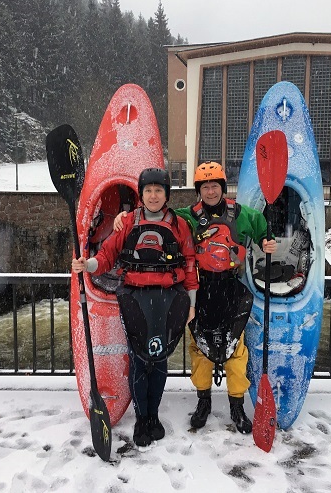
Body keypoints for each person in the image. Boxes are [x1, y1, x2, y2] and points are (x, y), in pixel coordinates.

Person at [114, 161, 276, 435]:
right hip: (201, 290)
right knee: (200, 350)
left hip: (231, 289)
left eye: (215, 186)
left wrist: (266, 241)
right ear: (198, 190)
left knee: (236, 350)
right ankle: (204, 402)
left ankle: (236, 406)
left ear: (222, 188)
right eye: (205, 186)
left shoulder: (242, 214)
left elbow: (262, 229)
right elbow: (156, 213)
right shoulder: (187, 216)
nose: (210, 191)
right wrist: (125, 215)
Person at [72, 168, 198, 448]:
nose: (153, 196)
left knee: (160, 358)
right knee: (140, 359)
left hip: (169, 297)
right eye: (148, 190)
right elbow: (106, 255)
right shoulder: (127, 222)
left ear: (166, 194)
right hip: (135, 297)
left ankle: (154, 415)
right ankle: (142, 418)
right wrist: (88, 265)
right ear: (141, 194)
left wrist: (191, 303)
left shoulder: (179, 224)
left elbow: (189, 264)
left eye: (159, 190)